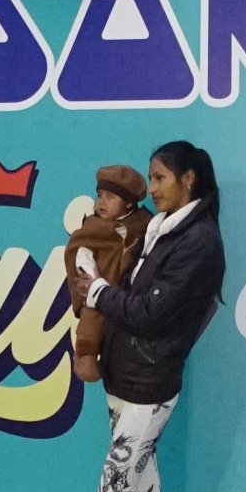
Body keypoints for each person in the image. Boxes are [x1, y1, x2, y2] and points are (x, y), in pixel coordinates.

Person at [71, 138, 224, 492]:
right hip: (126, 379)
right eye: (151, 179)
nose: (152, 188)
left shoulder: (199, 242)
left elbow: (150, 312)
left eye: (160, 179)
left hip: (147, 388)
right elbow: (134, 297)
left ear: (190, 180)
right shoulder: (161, 230)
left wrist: (95, 289)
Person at [63, 163, 151, 385]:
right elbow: (78, 252)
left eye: (110, 197)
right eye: (100, 195)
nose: (101, 202)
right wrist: (90, 278)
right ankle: (86, 354)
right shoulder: (92, 229)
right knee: (91, 318)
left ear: (129, 202)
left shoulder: (146, 227)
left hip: (128, 298)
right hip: (97, 290)